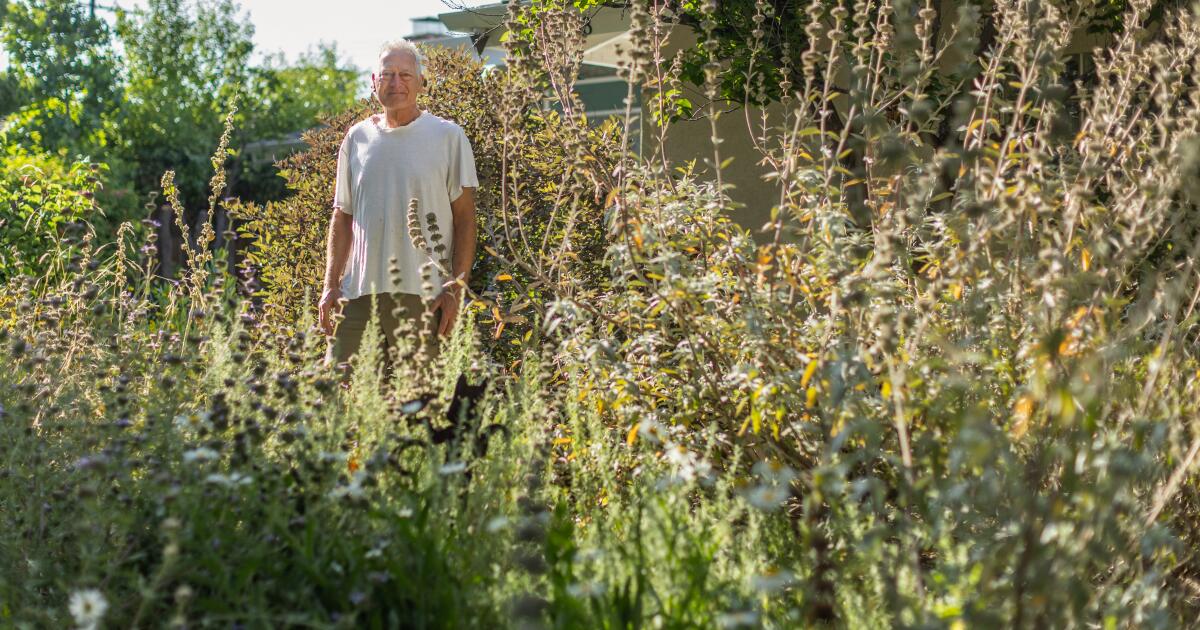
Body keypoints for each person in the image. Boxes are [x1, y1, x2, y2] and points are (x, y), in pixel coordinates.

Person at [318, 39, 478, 374]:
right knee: (333, 395)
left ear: (421, 82)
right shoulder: (356, 138)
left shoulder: (448, 137)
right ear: (373, 82)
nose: (396, 83)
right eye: (387, 75)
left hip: (424, 296)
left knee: (418, 408)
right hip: (358, 295)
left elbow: (465, 219)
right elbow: (342, 215)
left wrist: (456, 287)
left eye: (405, 75)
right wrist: (330, 285)